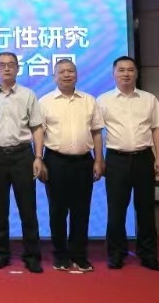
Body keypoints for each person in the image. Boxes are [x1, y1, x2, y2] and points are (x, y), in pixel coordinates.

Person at [99, 56, 159, 271]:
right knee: (116, 210)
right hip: (116, 159)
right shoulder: (103, 100)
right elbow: (96, 132)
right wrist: (99, 159)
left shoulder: (149, 99)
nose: (126, 74)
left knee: (146, 209)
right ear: (114, 74)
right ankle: (116, 254)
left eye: (130, 70)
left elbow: (157, 128)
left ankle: (148, 254)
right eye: (121, 70)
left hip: (144, 158)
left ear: (136, 73)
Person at [0, 52, 45, 273]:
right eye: (2, 65)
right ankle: (1, 254)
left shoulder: (28, 95)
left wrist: (38, 157)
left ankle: (32, 255)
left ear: (17, 68)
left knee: (28, 208)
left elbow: (37, 127)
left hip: (22, 155)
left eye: (11, 65)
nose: (7, 68)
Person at [40, 58, 104, 272]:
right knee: (57, 211)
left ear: (77, 75)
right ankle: (60, 255)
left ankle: (79, 255)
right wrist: (39, 159)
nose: (67, 75)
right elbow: (38, 134)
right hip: (55, 161)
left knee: (81, 210)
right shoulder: (45, 102)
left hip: (84, 162)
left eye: (70, 71)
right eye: (62, 72)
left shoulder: (89, 100)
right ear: (54, 77)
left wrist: (98, 159)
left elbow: (96, 132)